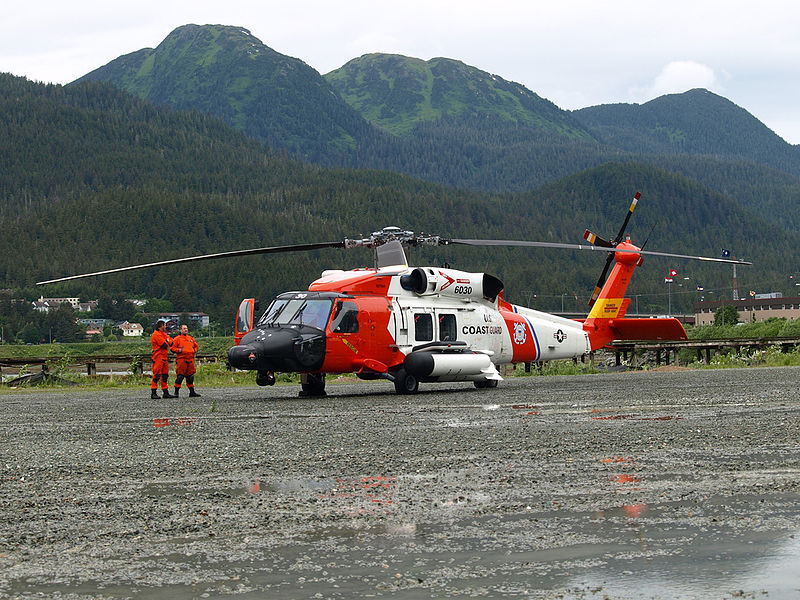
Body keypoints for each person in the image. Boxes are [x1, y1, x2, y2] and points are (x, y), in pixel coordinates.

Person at [171, 324, 200, 397]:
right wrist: (179, 350)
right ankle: (176, 392)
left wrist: (195, 350)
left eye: (186, 328)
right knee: (180, 376)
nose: (186, 330)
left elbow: (196, 346)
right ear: (180, 330)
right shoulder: (177, 339)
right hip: (182, 359)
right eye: (184, 328)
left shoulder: (190, 338)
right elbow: (172, 348)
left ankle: (192, 392)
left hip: (190, 359)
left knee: (191, 376)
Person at [150, 320, 173, 399]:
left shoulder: (163, 334)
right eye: (165, 325)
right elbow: (164, 345)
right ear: (161, 326)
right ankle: (153, 392)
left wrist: (167, 341)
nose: (166, 327)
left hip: (164, 357)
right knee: (156, 375)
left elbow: (171, 342)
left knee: (165, 375)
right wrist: (167, 341)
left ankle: (165, 392)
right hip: (158, 356)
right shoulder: (156, 335)